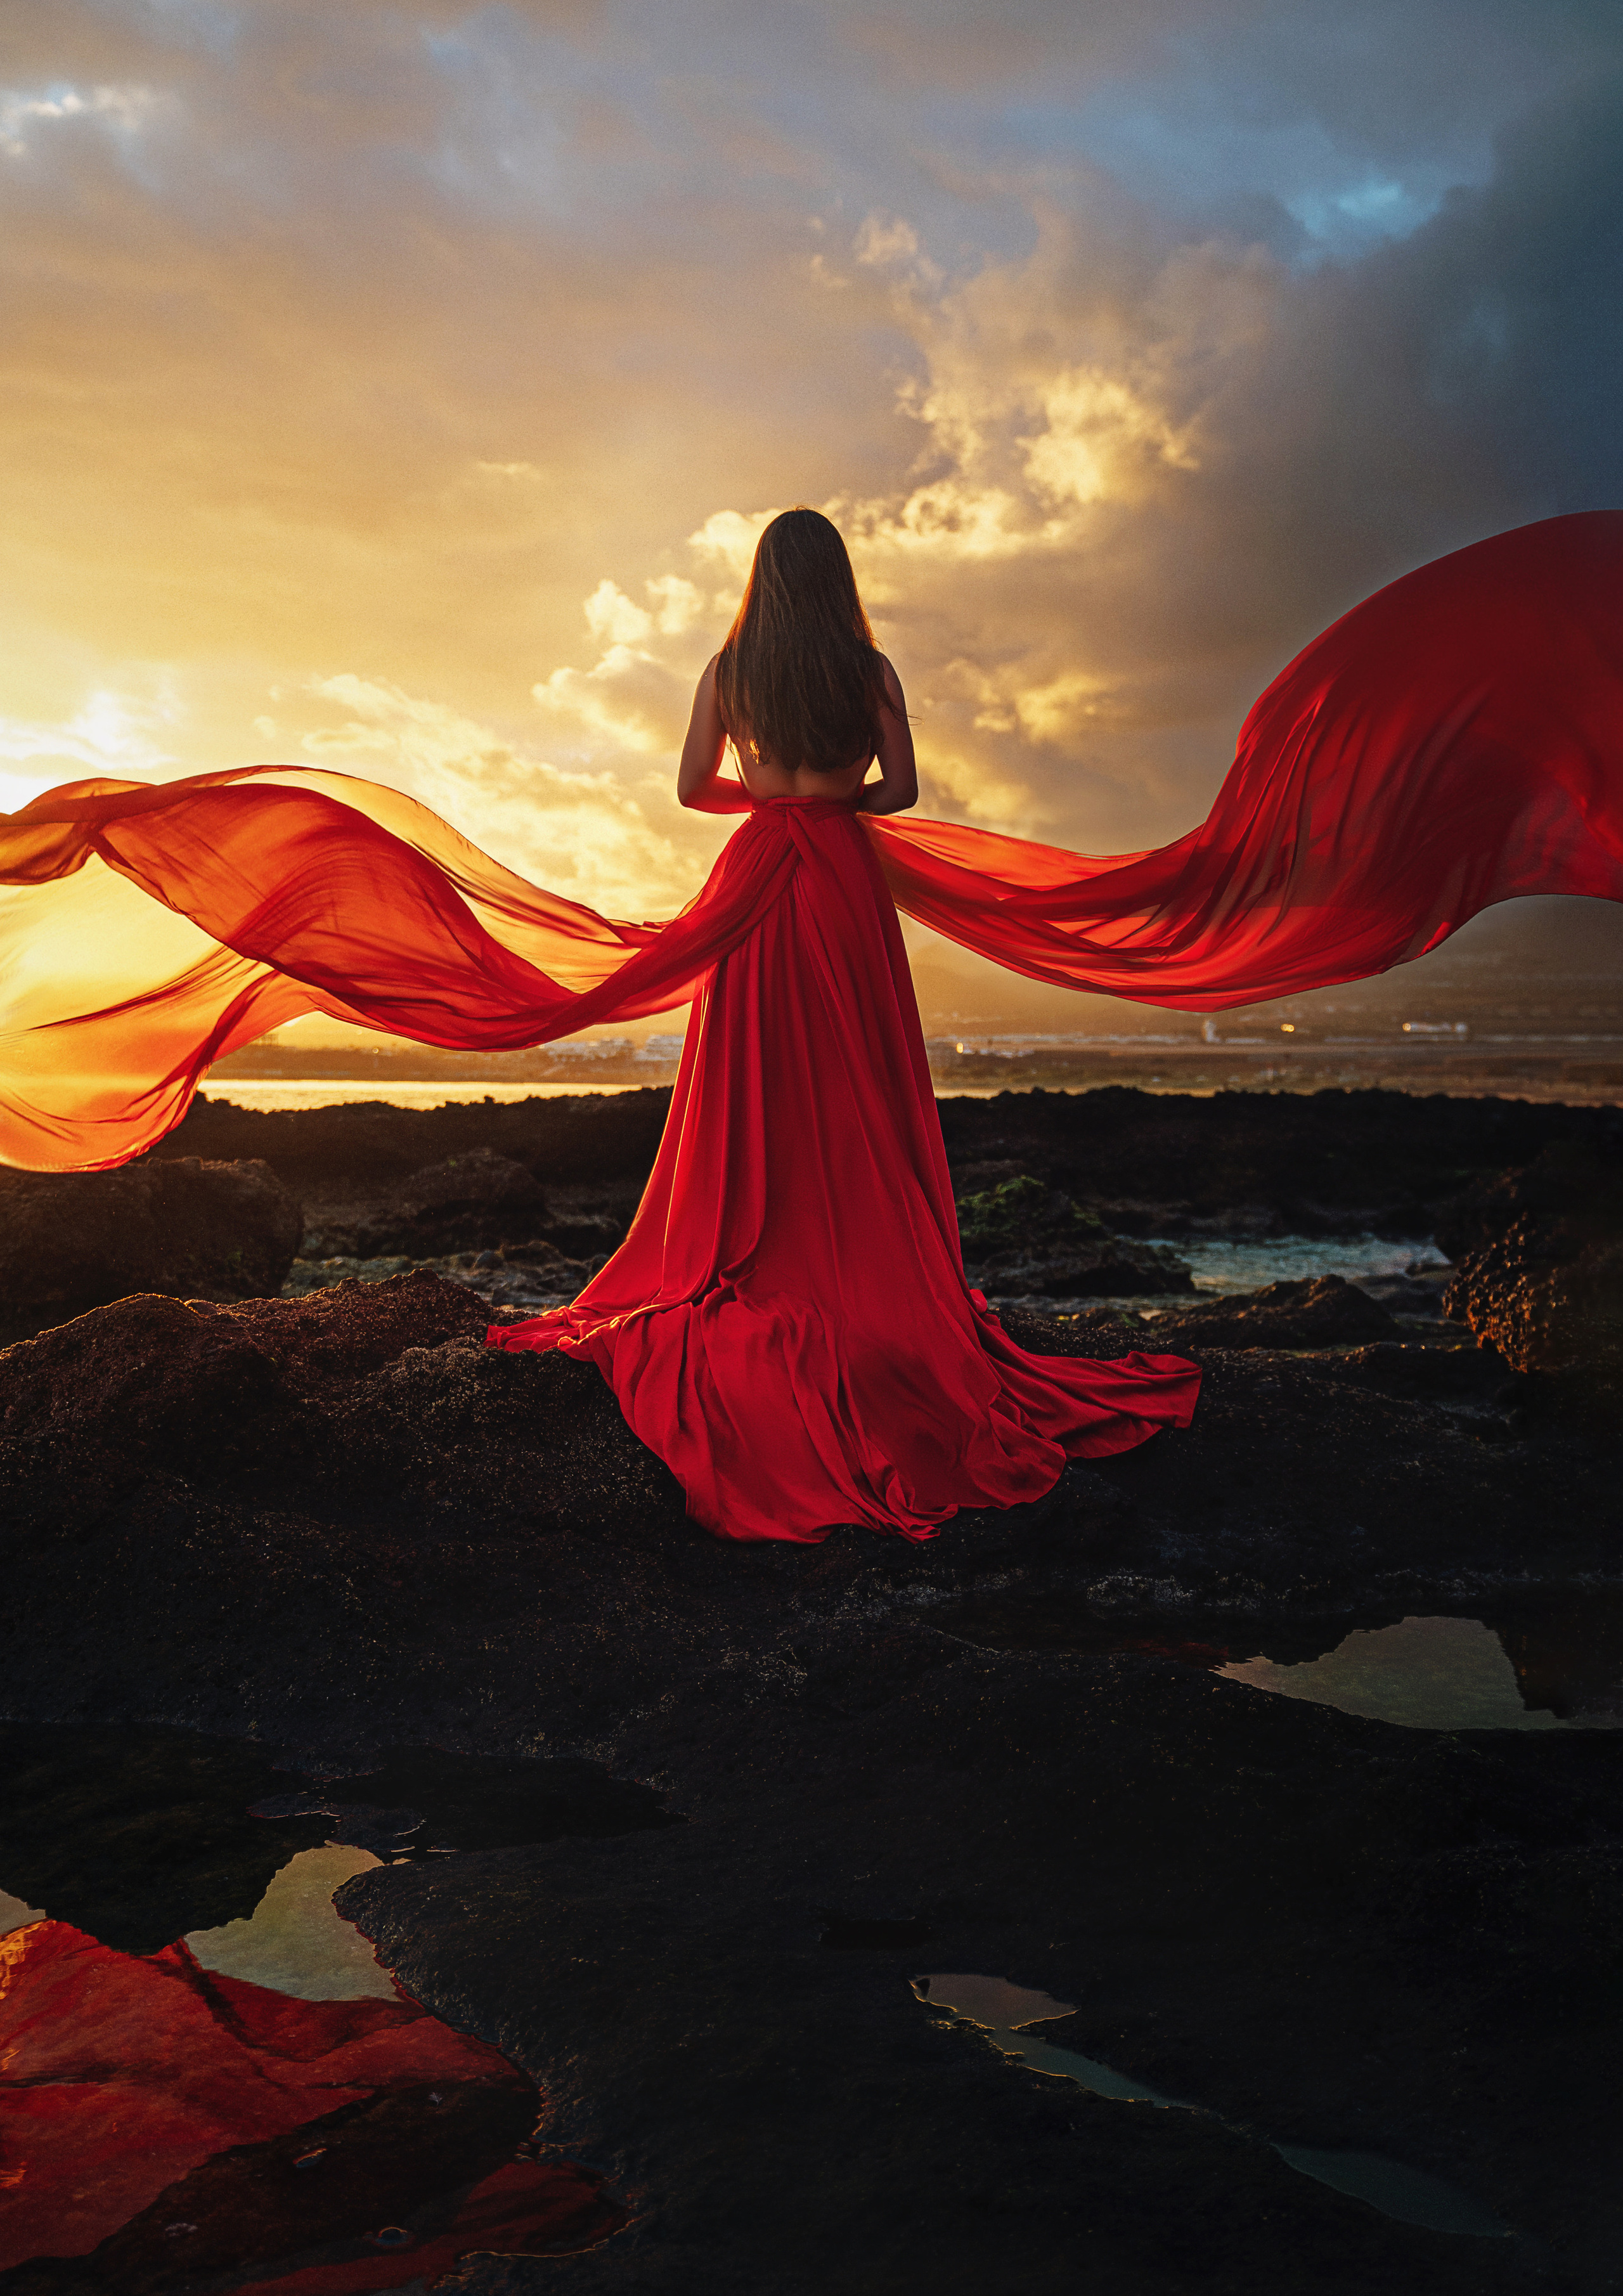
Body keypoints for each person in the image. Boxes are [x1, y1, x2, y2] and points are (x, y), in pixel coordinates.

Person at [487, 510, 1201, 1541]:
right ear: (837, 579)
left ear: (760, 579)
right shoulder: (871, 670)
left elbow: (691, 787)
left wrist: (767, 797)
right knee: (852, 1079)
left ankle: (757, 1238)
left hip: (757, 876)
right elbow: (901, 789)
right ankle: (868, 1262)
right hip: (840, 883)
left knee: (756, 1076)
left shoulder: (730, 670)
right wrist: (834, 798)